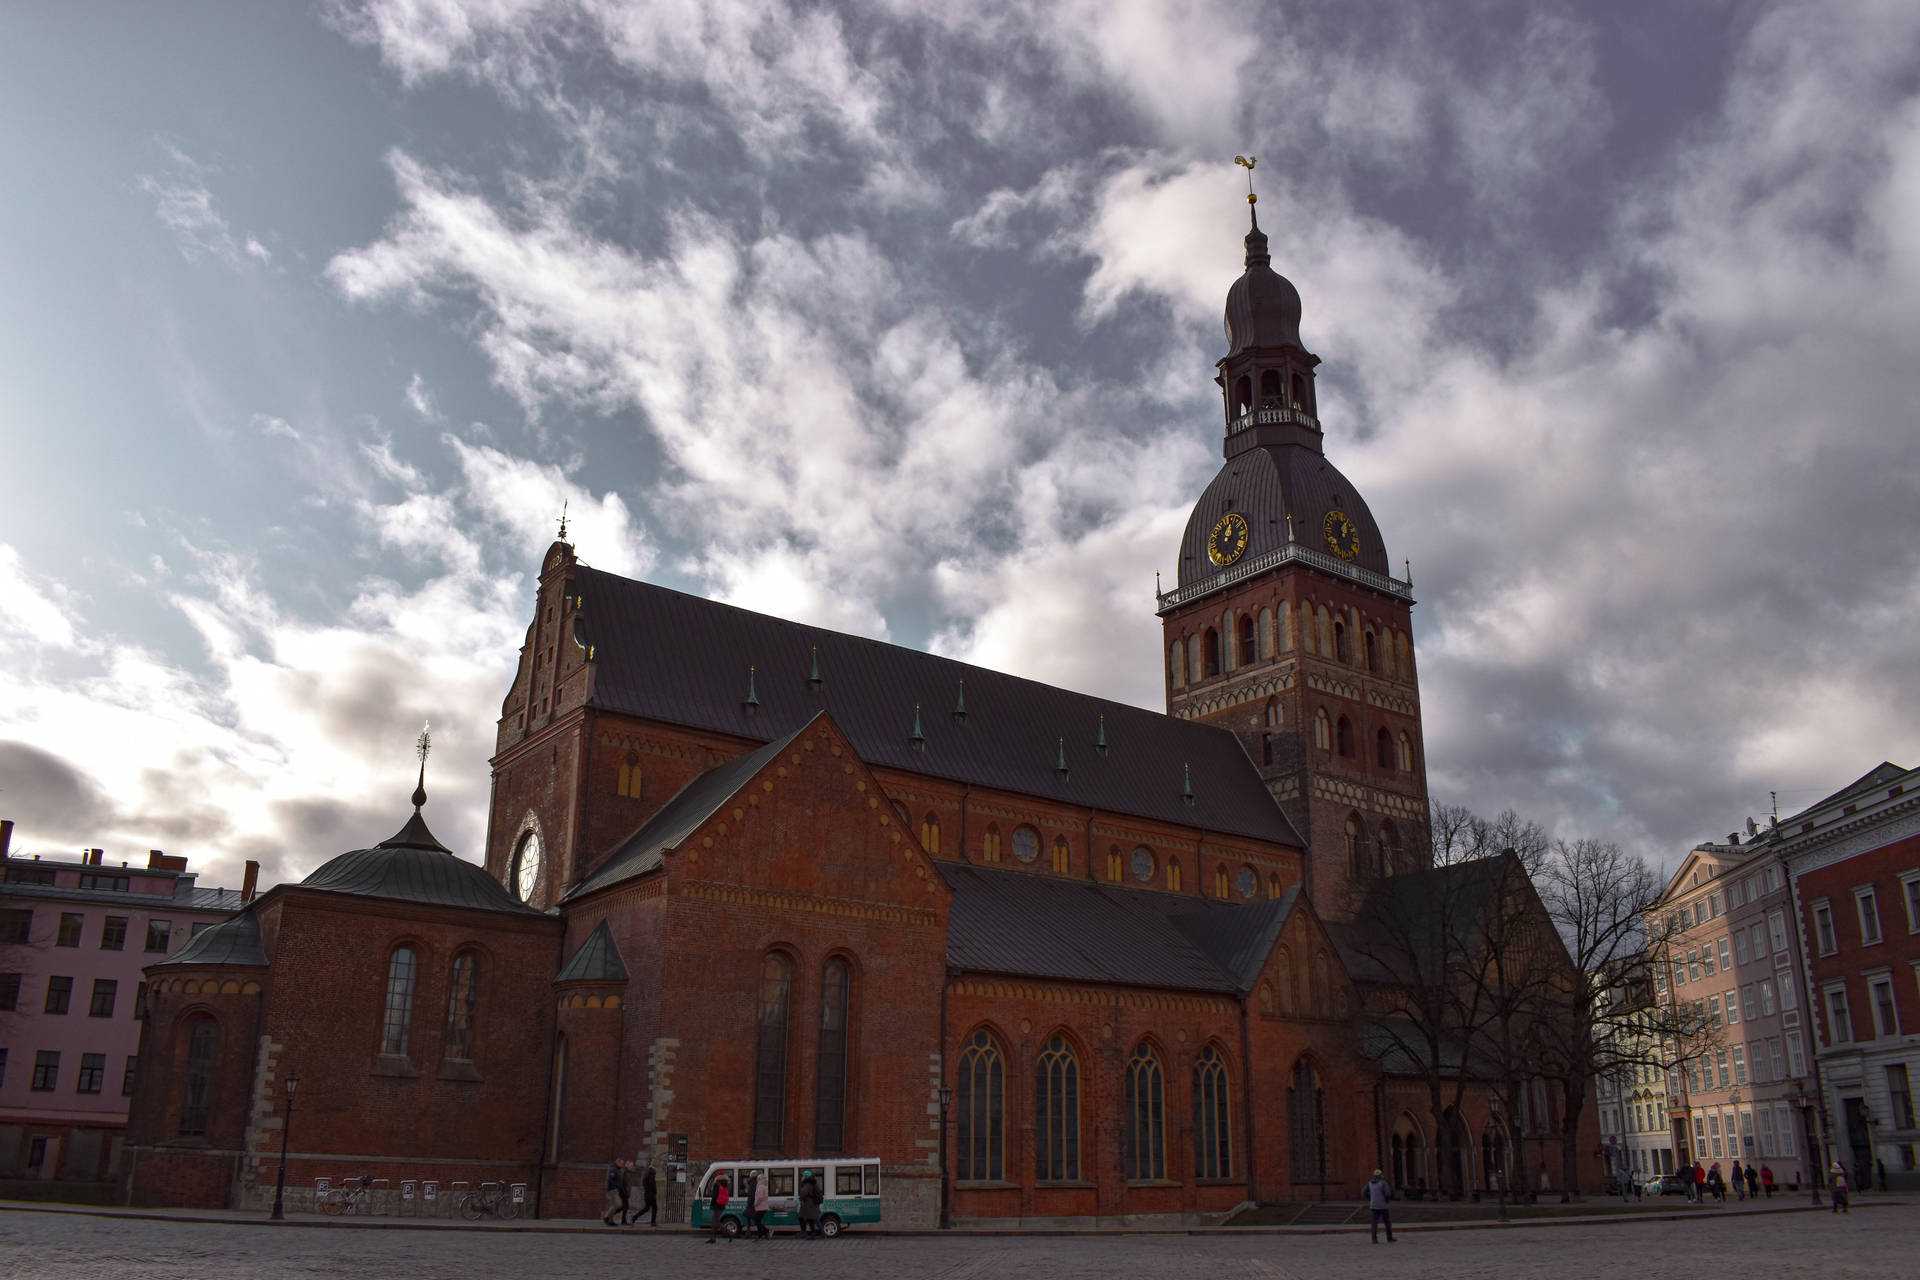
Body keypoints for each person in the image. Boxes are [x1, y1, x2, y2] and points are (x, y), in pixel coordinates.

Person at [1364, 1168, 1395, 1244]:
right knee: (1387, 1222)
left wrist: (1370, 1198)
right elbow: (1387, 1194)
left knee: (1374, 1223)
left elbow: (1364, 1191)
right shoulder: (1383, 1183)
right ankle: (1389, 1238)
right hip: (1383, 1206)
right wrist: (1386, 1201)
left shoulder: (1369, 1183)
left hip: (1373, 1205)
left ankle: (1374, 1239)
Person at [705, 1175, 732, 1243]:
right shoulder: (725, 1184)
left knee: (715, 1222)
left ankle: (728, 1233)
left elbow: (714, 1196)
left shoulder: (716, 1184)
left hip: (716, 1205)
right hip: (721, 1205)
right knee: (714, 1222)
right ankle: (713, 1238)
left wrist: (711, 1204)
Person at [797, 1170, 822, 1239]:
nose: (801, 1177)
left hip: (808, 1204)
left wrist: (800, 1198)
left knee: (802, 1218)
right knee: (810, 1219)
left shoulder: (807, 1184)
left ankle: (805, 1233)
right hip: (812, 1204)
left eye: (802, 1176)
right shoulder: (813, 1183)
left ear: (805, 1177)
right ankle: (811, 1234)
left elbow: (803, 1193)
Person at [603, 1158, 624, 1227]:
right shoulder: (613, 1169)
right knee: (617, 1204)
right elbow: (610, 1179)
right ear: (617, 1162)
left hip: (615, 1189)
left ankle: (610, 1220)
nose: (622, 1165)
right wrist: (616, 1186)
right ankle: (606, 1217)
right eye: (621, 1163)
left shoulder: (617, 1169)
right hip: (612, 1189)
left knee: (614, 1205)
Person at [637, 1161, 659, 1227]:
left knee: (646, 1208)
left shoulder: (647, 1172)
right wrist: (654, 1192)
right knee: (655, 1208)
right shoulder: (652, 1173)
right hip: (650, 1194)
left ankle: (634, 1218)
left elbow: (644, 1182)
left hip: (647, 1193)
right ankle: (653, 1222)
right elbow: (651, 1183)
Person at [753, 1171, 772, 1239]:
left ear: (759, 1179)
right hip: (764, 1206)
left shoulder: (760, 1186)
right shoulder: (764, 1186)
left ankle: (766, 1231)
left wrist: (755, 1204)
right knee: (758, 1221)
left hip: (760, 1207)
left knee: (756, 1221)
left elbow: (760, 1197)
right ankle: (762, 1234)